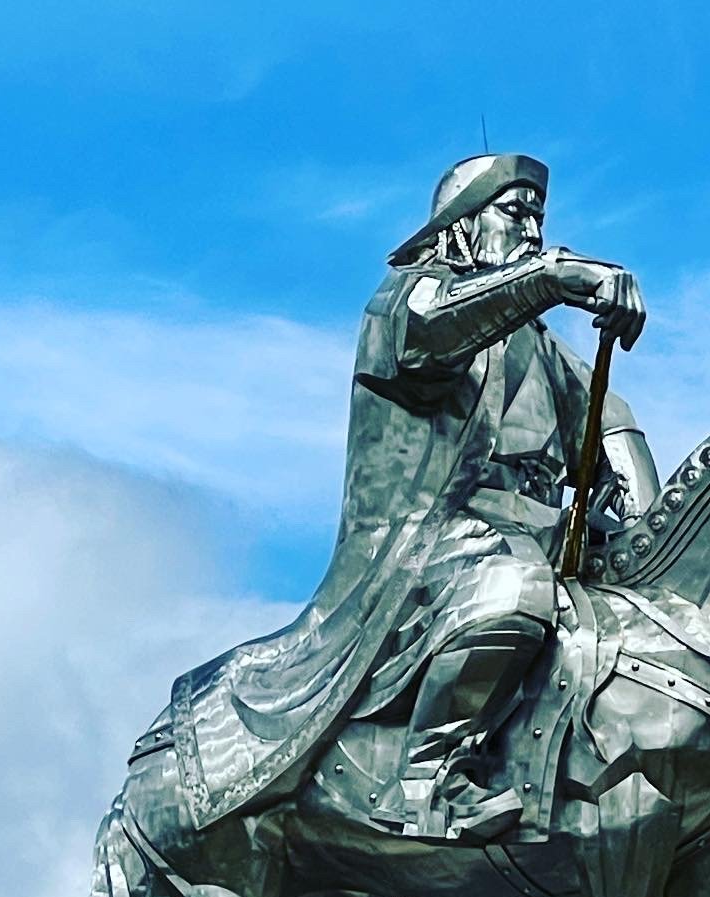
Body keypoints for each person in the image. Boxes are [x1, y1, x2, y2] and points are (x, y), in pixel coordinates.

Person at [167, 153, 660, 844]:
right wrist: (552, 277)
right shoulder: (409, 300)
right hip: (433, 542)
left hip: (547, 537)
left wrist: (649, 524)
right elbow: (436, 335)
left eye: (538, 218)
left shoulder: (539, 348)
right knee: (510, 590)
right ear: (462, 224)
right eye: (514, 212)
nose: (531, 228)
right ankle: (429, 778)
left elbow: (606, 414)